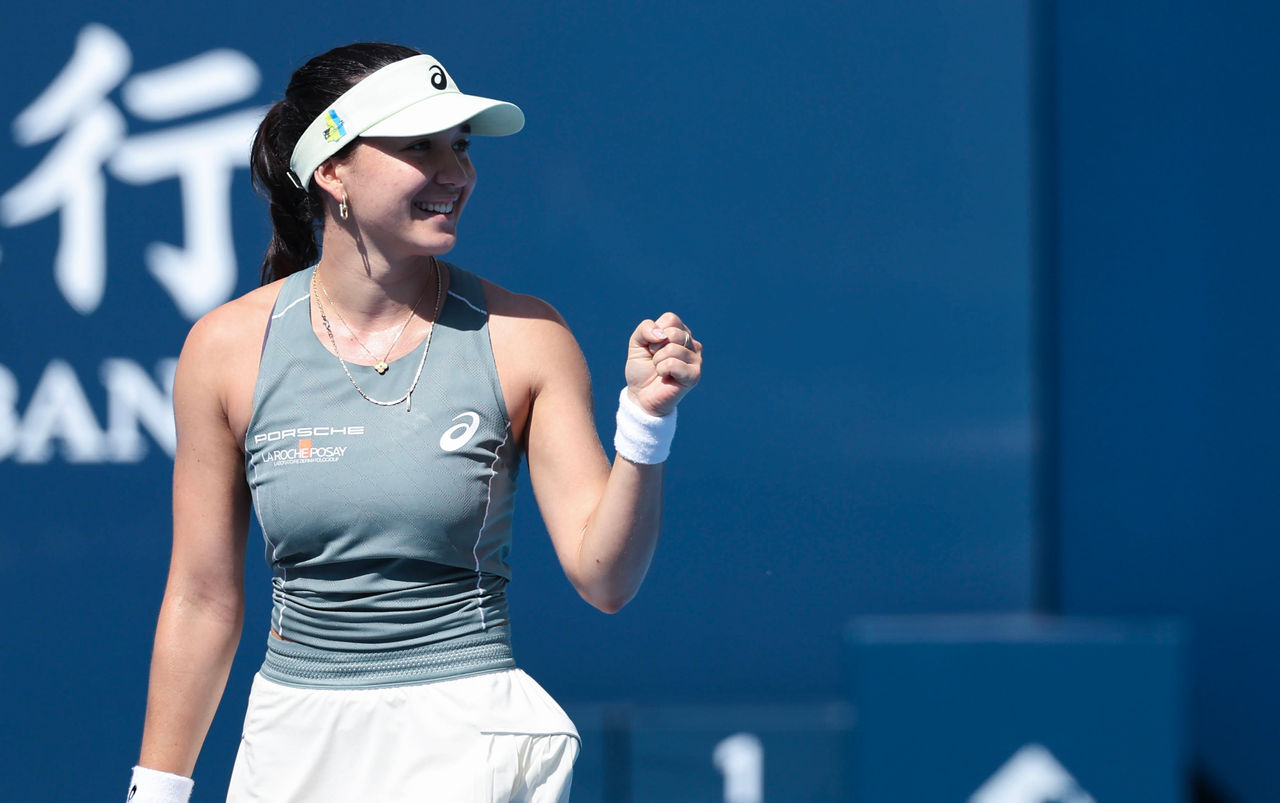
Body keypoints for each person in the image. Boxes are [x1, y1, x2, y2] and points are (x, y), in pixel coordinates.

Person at [127, 42, 701, 803]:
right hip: (291, 742)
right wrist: (156, 792)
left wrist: (645, 424)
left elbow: (606, 576)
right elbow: (201, 599)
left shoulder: (527, 336)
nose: (456, 173)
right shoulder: (224, 349)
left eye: (459, 147)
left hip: (468, 742)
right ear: (332, 169)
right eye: (418, 146)